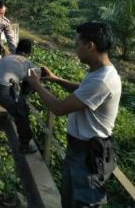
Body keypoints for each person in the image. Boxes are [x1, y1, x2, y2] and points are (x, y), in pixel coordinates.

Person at [27, 22, 121, 207]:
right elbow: (83, 91)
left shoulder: (102, 81)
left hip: (90, 154)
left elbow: (59, 109)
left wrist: (36, 85)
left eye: (77, 45)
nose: (76, 49)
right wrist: (55, 79)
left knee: (84, 203)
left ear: (90, 46)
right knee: (69, 200)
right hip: (80, 149)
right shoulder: (98, 73)